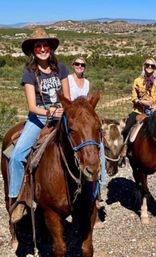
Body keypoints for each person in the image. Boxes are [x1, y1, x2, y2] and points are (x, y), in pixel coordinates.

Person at [8, 28, 70, 223]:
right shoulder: (29, 73)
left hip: (61, 113)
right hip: (40, 117)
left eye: (45, 45)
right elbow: (32, 107)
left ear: (50, 48)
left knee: (88, 143)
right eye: (38, 46)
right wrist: (49, 112)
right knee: (17, 157)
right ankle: (18, 200)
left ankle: (93, 192)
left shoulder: (61, 68)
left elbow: (67, 98)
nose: (42, 49)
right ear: (33, 50)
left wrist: (62, 110)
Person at [67, 56, 106, 185]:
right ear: (73, 65)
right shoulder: (68, 80)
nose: (80, 66)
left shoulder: (87, 83)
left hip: (83, 116)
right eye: (77, 64)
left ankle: (100, 181)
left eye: (82, 65)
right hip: (72, 116)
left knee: (99, 143)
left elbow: (88, 103)